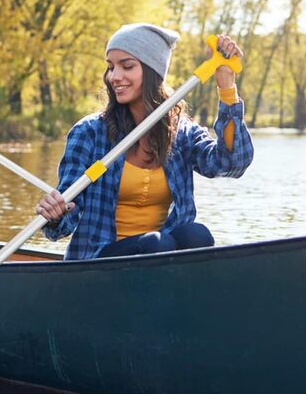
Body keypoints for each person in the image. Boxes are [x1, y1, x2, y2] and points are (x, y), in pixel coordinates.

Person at [36, 23, 254, 260]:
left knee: (196, 235)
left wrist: (227, 87)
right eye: (110, 67)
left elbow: (231, 163)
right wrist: (57, 213)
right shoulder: (89, 132)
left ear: (152, 72)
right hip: (100, 260)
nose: (114, 77)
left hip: (162, 252)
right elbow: (63, 223)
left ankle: (185, 293)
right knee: (156, 243)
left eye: (127, 66)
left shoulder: (181, 133)